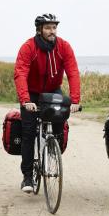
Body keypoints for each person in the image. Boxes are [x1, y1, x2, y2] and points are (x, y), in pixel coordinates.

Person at [14, 13, 81, 193]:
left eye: (54, 28)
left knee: (60, 119)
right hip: (32, 94)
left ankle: (52, 147)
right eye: (48, 28)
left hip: (52, 91)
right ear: (39, 30)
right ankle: (27, 177)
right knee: (28, 133)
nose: (52, 31)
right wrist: (25, 99)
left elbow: (73, 72)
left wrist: (74, 100)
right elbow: (20, 73)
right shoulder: (29, 47)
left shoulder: (63, 47)